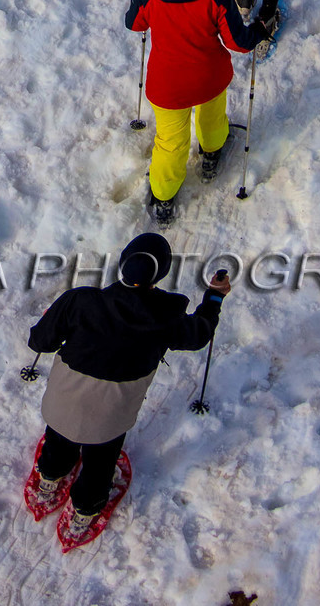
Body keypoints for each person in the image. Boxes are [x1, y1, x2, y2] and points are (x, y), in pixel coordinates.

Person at [25, 233, 230, 548]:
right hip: (110, 420)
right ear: (159, 275)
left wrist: (50, 322)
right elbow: (199, 334)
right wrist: (213, 298)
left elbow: (40, 342)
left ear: (123, 265)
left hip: (60, 405)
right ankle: (85, 510)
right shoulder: (166, 319)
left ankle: (49, 479)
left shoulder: (80, 301)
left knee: (59, 440)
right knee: (101, 462)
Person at [124, 0, 260, 221]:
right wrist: (258, 31)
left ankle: (163, 198)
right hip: (208, 79)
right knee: (212, 119)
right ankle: (211, 156)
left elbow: (134, 24)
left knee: (170, 142)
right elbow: (239, 43)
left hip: (167, 87)